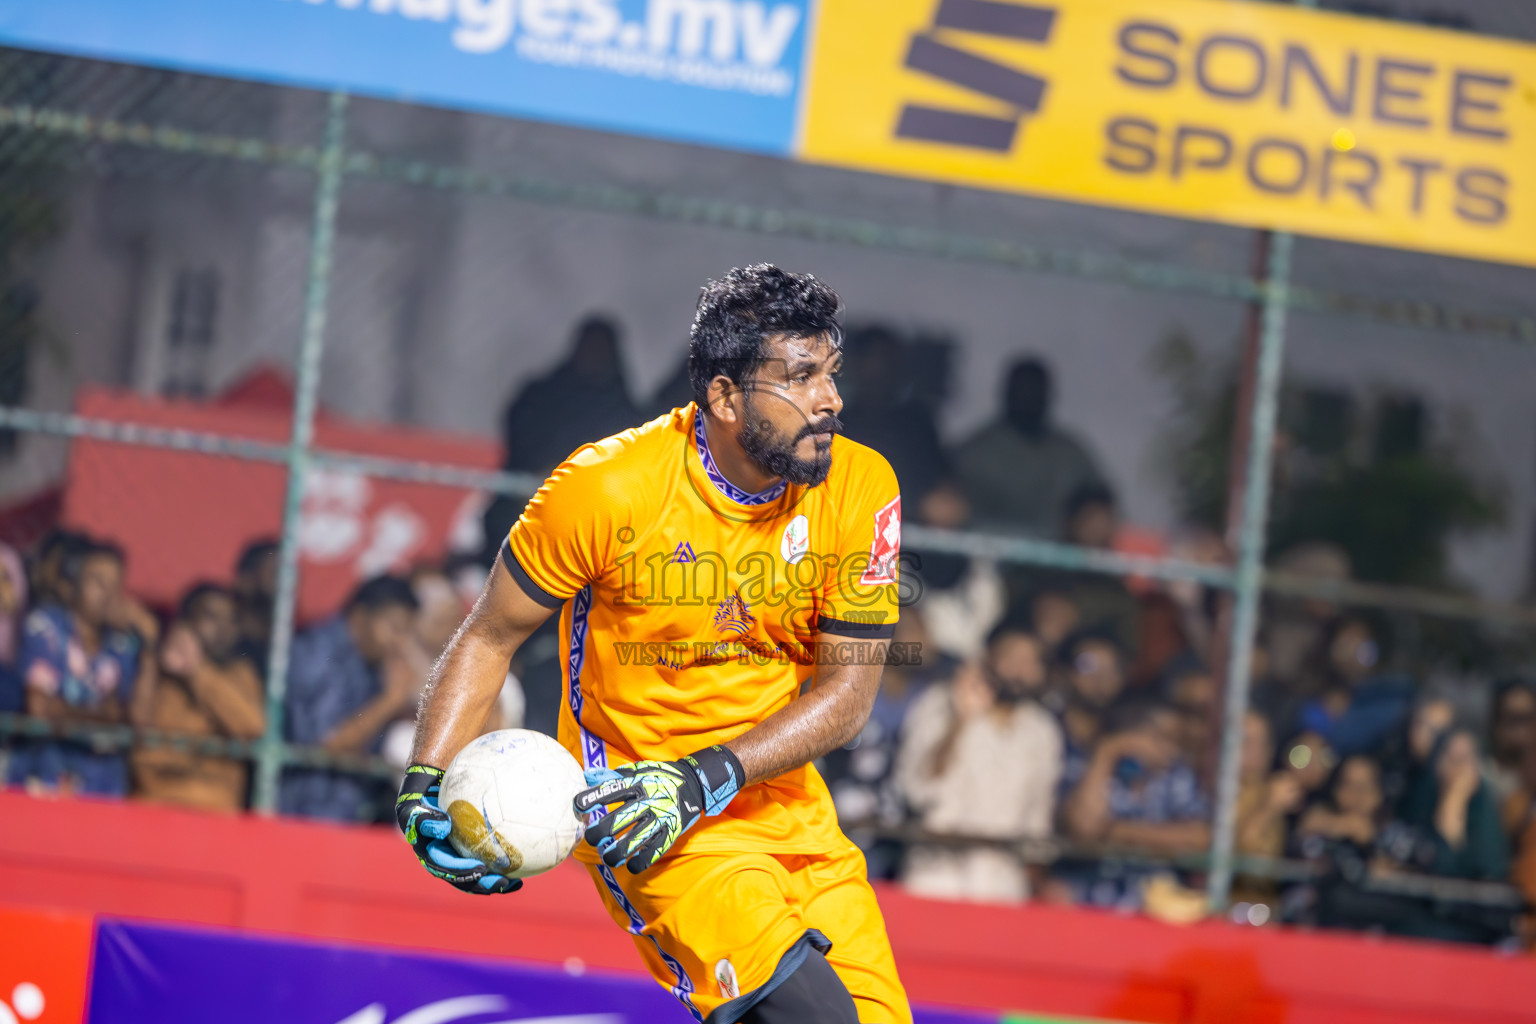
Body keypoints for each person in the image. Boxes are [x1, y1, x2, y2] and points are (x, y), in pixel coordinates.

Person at [399, 265, 911, 1024]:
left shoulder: (862, 486)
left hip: (786, 808)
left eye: (831, 374)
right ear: (727, 397)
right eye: (800, 377)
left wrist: (709, 778)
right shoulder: (605, 488)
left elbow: (847, 699)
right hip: (650, 819)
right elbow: (488, 636)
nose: (830, 399)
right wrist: (422, 784)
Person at [895, 622, 1061, 903]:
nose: (1020, 669)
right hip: (936, 876)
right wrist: (961, 721)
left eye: (1030, 661)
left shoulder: (1042, 729)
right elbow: (916, 789)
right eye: (1011, 658)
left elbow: (1038, 817)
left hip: (1005, 884)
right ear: (987, 657)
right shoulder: (939, 703)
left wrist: (1038, 878)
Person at [10, 539, 158, 795]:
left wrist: (149, 648)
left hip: (103, 786)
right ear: (73, 586)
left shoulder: (124, 645)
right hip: (45, 776)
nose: (108, 595)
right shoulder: (45, 626)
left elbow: (139, 724)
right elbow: (41, 710)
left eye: (116, 586)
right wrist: (106, 717)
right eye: (98, 582)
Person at [280, 575, 422, 822]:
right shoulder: (318, 652)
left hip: (346, 816)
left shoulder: (375, 662)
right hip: (302, 815)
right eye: (395, 628)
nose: (400, 642)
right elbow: (325, 745)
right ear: (359, 617)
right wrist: (390, 700)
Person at [131, 583, 266, 812]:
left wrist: (196, 670)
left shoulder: (241, 675)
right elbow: (141, 741)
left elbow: (253, 727)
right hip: (156, 806)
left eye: (231, 620)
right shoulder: (156, 674)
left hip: (217, 812)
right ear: (184, 623)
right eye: (211, 618)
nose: (224, 628)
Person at [951, 356, 1106, 538]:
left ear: (1048, 395)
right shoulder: (973, 452)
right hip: (983, 557)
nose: (1028, 396)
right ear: (1006, 392)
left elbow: (1100, 504)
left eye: (1035, 390)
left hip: (1056, 560)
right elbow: (947, 509)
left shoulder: (1070, 454)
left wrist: (1093, 518)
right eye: (1022, 389)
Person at [232, 538, 278, 675]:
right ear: (245, 580)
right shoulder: (226, 645)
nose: (285, 584)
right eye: (275, 573)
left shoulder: (297, 645)